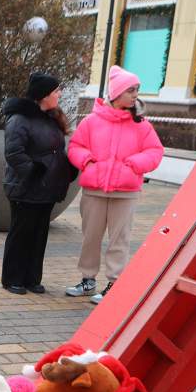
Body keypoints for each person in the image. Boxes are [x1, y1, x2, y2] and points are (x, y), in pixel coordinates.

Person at [66, 65, 164, 304]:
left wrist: (134, 164)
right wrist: (87, 161)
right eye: (131, 90)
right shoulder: (91, 121)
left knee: (119, 240)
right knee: (91, 237)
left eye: (137, 90)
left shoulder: (142, 125)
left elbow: (155, 151)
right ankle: (88, 280)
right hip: (94, 191)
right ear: (116, 93)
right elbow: (75, 147)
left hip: (125, 193)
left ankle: (114, 283)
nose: (135, 95)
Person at [0, 73, 76, 295]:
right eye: (55, 91)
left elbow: (56, 150)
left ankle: (32, 278)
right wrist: (34, 173)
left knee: (39, 235)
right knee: (21, 233)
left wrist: (67, 168)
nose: (60, 94)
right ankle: (12, 278)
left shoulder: (52, 118)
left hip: (48, 189)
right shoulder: (19, 120)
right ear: (43, 95)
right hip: (25, 188)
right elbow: (14, 153)